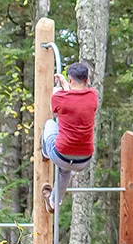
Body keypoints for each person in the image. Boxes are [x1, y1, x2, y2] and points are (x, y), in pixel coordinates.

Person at [41, 63, 98, 214]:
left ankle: (45, 153)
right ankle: (53, 201)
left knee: (49, 124)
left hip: (60, 155)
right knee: (65, 170)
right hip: (84, 160)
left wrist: (58, 89)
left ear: (70, 79)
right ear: (86, 80)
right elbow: (77, 100)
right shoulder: (93, 97)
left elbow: (55, 113)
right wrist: (66, 85)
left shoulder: (59, 97)